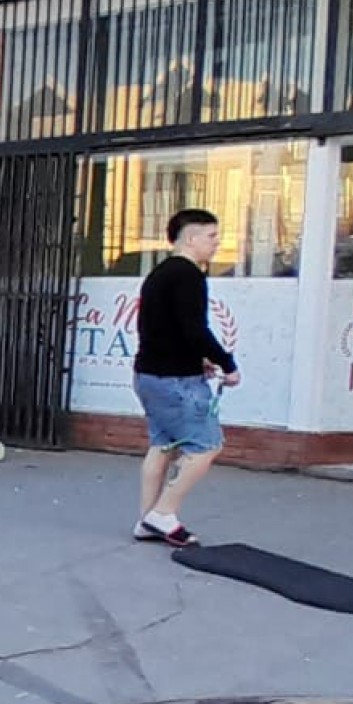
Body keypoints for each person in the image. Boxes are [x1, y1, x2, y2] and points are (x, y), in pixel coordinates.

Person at [132, 208, 238, 549]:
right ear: (191, 238)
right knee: (206, 446)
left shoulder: (159, 274)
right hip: (177, 381)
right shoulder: (189, 275)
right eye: (212, 236)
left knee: (163, 445)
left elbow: (164, 329)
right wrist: (226, 363)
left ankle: (147, 519)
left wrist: (198, 359)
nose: (217, 243)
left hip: (149, 374)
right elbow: (195, 328)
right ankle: (163, 513)